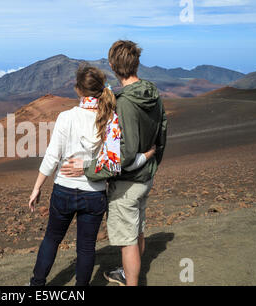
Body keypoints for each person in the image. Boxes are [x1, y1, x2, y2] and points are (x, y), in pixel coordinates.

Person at [27, 65, 155, 286]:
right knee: (86, 247)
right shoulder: (111, 119)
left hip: (63, 191)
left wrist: (37, 187)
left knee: (52, 239)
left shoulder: (66, 117)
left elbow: (52, 156)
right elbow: (115, 164)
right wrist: (147, 155)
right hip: (94, 194)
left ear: (78, 90)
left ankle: (37, 285)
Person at [61, 40, 167, 286]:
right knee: (137, 229)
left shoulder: (124, 103)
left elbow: (123, 157)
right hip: (145, 178)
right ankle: (127, 272)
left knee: (127, 241)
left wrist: (86, 169)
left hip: (127, 184)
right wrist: (151, 161)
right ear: (137, 62)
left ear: (111, 65)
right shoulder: (152, 92)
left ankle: (131, 281)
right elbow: (162, 130)